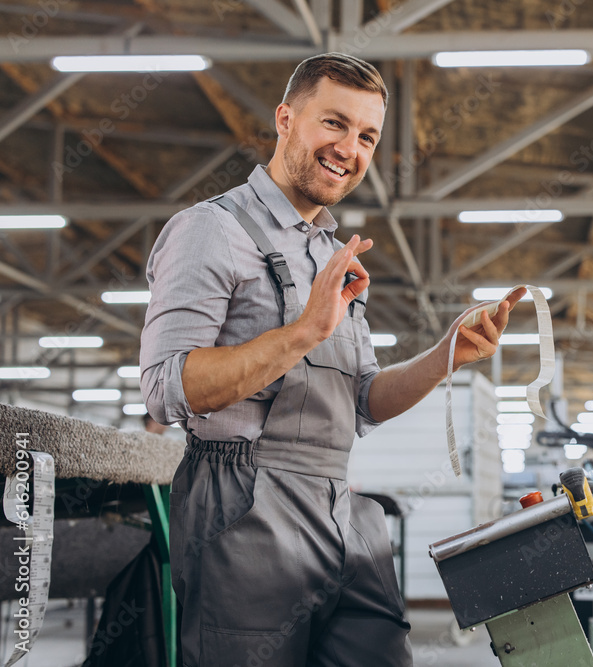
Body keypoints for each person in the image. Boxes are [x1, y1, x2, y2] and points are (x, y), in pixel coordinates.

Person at [140, 52, 523, 667]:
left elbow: (364, 398)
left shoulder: (331, 253)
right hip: (242, 505)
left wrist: (445, 355)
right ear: (286, 119)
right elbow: (164, 387)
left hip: (342, 504)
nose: (350, 147)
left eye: (367, 135)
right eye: (334, 123)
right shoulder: (210, 230)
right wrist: (302, 332)